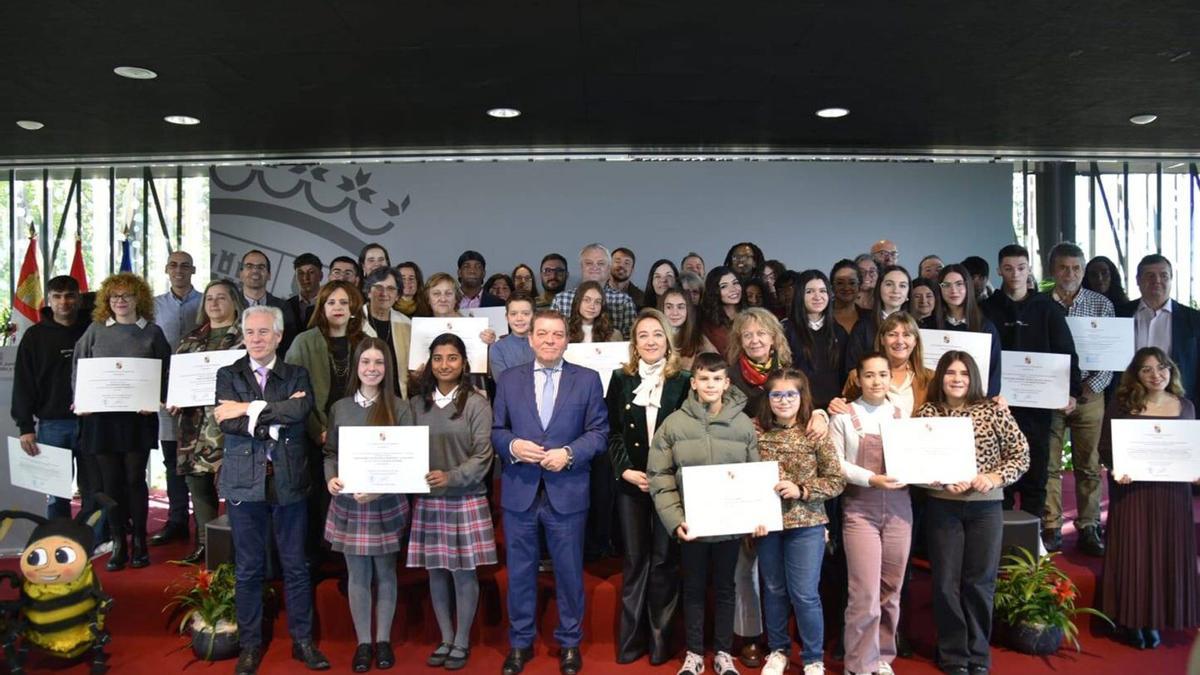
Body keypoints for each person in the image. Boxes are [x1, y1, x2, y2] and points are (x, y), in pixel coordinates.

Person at [492, 310, 608, 675]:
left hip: (567, 490)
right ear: (530, 339)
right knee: (520, 572)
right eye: (542, 333)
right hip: (520, 490)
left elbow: (599, 432)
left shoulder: (587, 379)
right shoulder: (508, 380)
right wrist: (512, 446)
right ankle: (520, 642)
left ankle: (570, 642)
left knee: (569, 572)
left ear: (567, 340)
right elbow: (497, 430)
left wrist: (570, 453)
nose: (549, 340)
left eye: (557, 334)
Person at [214, 305, 328, 675]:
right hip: (244, 482)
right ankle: (250, 645)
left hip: (289, 481)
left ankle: (303, 640)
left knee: (296, 565)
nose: (256, 339)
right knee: (248, 568)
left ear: (278, 336)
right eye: (250, 332)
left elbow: (299, 413)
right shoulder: (227, 374)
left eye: (264, 332)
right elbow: (227, 423)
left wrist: (247, 409)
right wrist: (274, 418)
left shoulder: (296, 373)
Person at [647, 352, 764, 675]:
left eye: (717, 379)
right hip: (692, 525)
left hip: (730, 527)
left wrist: (755, 516)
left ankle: (723, 652)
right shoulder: (674, 424)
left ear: (726, 384)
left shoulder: (743, 424)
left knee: (726, 588)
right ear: (693, 383)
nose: (710, 384)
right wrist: (675, 521)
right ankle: (695, 653)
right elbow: (659, 476)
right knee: (694, 588)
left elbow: (754, 474)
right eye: (704, 378)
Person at [914, 351, 1029, 675]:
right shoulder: (927, 413)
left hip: (985, 508)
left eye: (964, 373)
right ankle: (953, 654)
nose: (957, 379)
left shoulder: (993, 410)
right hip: (943, 506)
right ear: (941, 377)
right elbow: (914, 461)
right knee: (945, 582)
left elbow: (1021, 455)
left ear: (973, 377)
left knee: (980, 582)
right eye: (950, 372)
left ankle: (978, 654)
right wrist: (937, 479)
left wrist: (993, 477)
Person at [1098, 347, 1199, 650]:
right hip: (1133, 493)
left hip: (1173, 495)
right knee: (1135, 553)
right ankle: (1130, 619)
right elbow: (1105, 447)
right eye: (1147, 369)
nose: (1156, 375)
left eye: (1162, 367)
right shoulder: (1121, 405)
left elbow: (1191, 450)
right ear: (1136, 375)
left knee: (1166, 552)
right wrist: (1117, 468)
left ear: (1171, 370)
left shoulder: (1186, 406)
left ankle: (1156, 618)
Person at [407, 333, 498, 671]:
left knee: (463, 574)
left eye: (452, 358)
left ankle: (461, 640)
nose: (444, 364)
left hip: (465, 497)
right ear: (429, 363)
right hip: (429, 499)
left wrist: (452, 477)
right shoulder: (416, 404)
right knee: (436, 573)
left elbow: (483, 456)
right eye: (438, 358)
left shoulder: (476, 403)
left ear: (464, 363)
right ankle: (445, 637)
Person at [608, 309, 691, 666]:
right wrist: (625, 470)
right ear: (634, 343)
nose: (651, 341)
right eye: (643, 335)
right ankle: (630, 642)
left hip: (669, 485)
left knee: (664, 561)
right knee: (635, 560)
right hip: (632, 484)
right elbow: (612, 432)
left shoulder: (684, 381)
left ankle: (660, 642)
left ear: (667, 341)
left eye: (657, 334)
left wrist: (666, 475)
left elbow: (689, 435)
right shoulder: (620, 378)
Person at [73, 272, 171, 571]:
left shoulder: (152, 332)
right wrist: (80, 399)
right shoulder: (95, 330)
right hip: (101, 420)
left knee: (134, 480)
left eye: (127, 295)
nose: (120, 300)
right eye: (114, 296)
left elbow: (166, 371)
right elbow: (78, 366)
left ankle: (139, 541)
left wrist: (156, 398)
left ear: (138, 299)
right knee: (110, 483)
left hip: (138, 419)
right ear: (107, 300)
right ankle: (118, 542)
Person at [324, 338, 411, 672]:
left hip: (385, 503)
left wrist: (379, 490)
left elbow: (408, 461)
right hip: (349, 503)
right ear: (356, 366)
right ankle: (363, 643)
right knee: (357, 574)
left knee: (386, 572)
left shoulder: (400, 408)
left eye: (378, 362)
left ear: (387, 368)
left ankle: (383, 640)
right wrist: (331, 478)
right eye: (366, 362)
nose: (372, 369)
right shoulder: (340, 408)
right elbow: (331, 452)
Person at [755, 368, 845, 675]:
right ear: (768, 398)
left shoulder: (815, 433)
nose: (783, 400)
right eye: (776, 394)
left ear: (802, 396)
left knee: (805, 594)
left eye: (790, 394)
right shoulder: (757, 434)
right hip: (768, 525)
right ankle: (778, 650)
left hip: (807, 524)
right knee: (773, 589)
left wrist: (802, 490)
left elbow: (836, 480)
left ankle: (812, 658)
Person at [981, 244, 1080, 523]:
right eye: (1009, 268)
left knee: (1036, 475)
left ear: (1029, 270)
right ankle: (1000, 539)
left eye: (1021, 268)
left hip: (1038, 407)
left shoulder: (1048, 308)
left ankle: (1032, 537)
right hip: (998, 407)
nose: (1015, 274)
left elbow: (1066, 351)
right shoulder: (986, 309)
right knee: (1000, 476)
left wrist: (1072, 391)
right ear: (999, 270)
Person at [828, 352, 910, 675]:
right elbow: (836, 463)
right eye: (870, 375)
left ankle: (882, 657)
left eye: (883, 374)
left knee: (892, 588)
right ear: (858, 379)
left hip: (900, 507)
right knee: (864, 592)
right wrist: (871, 478)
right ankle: (858, 664)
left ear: (891, 378)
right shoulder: (843, 417)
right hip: (860, 508)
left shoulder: (903, 415)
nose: (877, 381)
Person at [285, 280, 367, 559]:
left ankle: (348, 559)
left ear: (354, 308)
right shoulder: (304, 341)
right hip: (315, 434)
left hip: (356, 435)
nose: (338, 307)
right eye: (331, 302)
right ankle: (318, 559)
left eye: (344, 302)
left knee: (353, 497)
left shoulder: (363, 342)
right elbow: (295, 394)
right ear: (321, 308)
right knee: (318, 500)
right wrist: (318, 431)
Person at [1043, 243, 1114, 556]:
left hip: (1090, 395)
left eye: (1076, 268)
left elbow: (1111, 356)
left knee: (1089, 465)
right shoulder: (1040, 304)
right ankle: (1052, 526)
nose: (1069, 274)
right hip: (1051, 396)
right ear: (1052, 270)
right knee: (1049, 465)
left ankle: (1088, 526)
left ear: (1083, 271)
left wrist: (1087, 387)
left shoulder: (1101, 304)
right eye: (1063, 267)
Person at [171, 279, 245, 564]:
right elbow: (177, 378)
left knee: (238, 485)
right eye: (210, 298)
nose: (214, 303)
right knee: (198, 482)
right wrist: (175, 397)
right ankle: (205, 542)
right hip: (195, 424)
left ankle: (238, 544)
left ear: (234, 302)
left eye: (221, 297)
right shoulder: (191, 338)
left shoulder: (246, 336)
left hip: (231, 424)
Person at [13, 275, 93, 523]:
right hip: (52, 424)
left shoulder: (94, 330)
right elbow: (23, 383)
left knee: (94, 491)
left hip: (93, 422)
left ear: (79, 298)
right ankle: (58, 537)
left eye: (69, 296)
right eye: (57, 297)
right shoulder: (34, 336)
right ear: (48, 300)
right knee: (57, 496)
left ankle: (95, 539)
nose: (63, 302)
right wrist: (26, 427)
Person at [152, 250, 203, 548]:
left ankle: (206, 525)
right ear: (166, 269)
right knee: (172, 460)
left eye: (185, 265)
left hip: (201, 393)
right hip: (167, 395)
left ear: (193, 270)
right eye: (173, 265)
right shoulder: (153, 306)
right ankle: (177, 520)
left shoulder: (206, 302)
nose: (179, 270)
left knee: (200, 463)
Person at [1116, 254, 1200, 405]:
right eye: (1150, 275)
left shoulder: (1194, 319)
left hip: (1179, 401)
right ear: (1138, 280)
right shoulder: (1119, 314)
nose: (1157, 280)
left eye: (1164, 275)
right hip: (1128, 398)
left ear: (1171, 279)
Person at [921, 264, 1003, 397]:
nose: (953, 290)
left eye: (959, 284)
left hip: (974, 402)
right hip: (934, 400)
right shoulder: (927, 326)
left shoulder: (985, 328)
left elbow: (994, 374)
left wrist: (984, 404)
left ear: (968, 286)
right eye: (946, 285)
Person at [786, 270, 849, 412]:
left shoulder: (839, 331)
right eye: (809, 291)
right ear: (800, 295)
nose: (817, 296)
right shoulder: (787, 331)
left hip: (833, 409)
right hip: (797, 407)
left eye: (822, 291)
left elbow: (844, 374)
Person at [551, 243, 638, 339]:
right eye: (589, 263)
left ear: (609, 268)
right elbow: (552, 336)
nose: (595, 267)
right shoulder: (561, 300)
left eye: (600, 263)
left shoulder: (624, 301)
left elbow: (631, 340)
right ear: (581, 266)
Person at [361, 267, 414, 398]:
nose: (384, 293)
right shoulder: (355, 321)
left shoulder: (406, 324)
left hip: (398, 400)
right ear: (368, 292)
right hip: (363, 400)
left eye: (391, 289)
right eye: (378, 287)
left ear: (397, 296)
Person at [847, 265, 911, 367]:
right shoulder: (863, 326)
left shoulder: (916, 326)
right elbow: (852, 368)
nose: (896, 290)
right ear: (879, 288)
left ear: (908, 293)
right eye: (889, 284)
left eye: (902, 286)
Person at [239, 249, 299, 356]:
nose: (255, 271)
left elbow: (288, 346)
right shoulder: (229, 305)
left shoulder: (283, 307)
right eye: (249, 266)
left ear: (269, 275)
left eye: (261, 267)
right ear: (241, 274)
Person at [660, 288, 716, 372]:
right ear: (662, 309)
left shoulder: (699, 340)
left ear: (688, 310)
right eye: (669, 307)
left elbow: (717, 368)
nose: (675, 313)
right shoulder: (651, 336)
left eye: (680, 307)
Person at [699, 266, 746, 358]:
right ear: (714, 291)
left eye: (735, 283)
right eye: (724, 286)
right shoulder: (707, 323)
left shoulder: (752, 315)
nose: (733, 289)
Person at [489, 295, 536, 377]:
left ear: (534, 316)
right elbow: (502, 380)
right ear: (507, 317)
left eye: (525, 314)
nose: (519, 319)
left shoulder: (544, 342)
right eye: (513, 314)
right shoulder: (497, 348)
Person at [288, 252, 324, 329]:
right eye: (301, 273)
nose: (305, 278)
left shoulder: (330, 304)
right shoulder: (286, 306)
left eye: (311, 272)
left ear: (321, 276)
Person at [830, 259, 865, 334]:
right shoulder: (820, 317)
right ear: (832, 287)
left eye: (852, 283)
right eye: (840, 283)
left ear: (859, 287)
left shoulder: (871, 318)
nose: (846, 288)